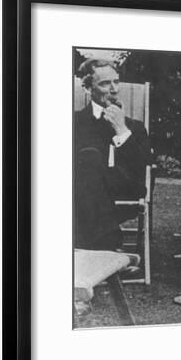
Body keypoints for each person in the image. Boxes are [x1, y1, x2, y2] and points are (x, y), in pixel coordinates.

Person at [74, 58, 152, 251]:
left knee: (89, 159)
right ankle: (109, 247)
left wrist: (122, 130)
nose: (114, 89)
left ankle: (96, 248)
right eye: (105, 83)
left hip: (124, 188)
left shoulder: (135, 127)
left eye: (116, 82)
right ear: (87, 88)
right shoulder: (74, 123)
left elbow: (143, 166)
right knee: (88, 158)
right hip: (83, 192)